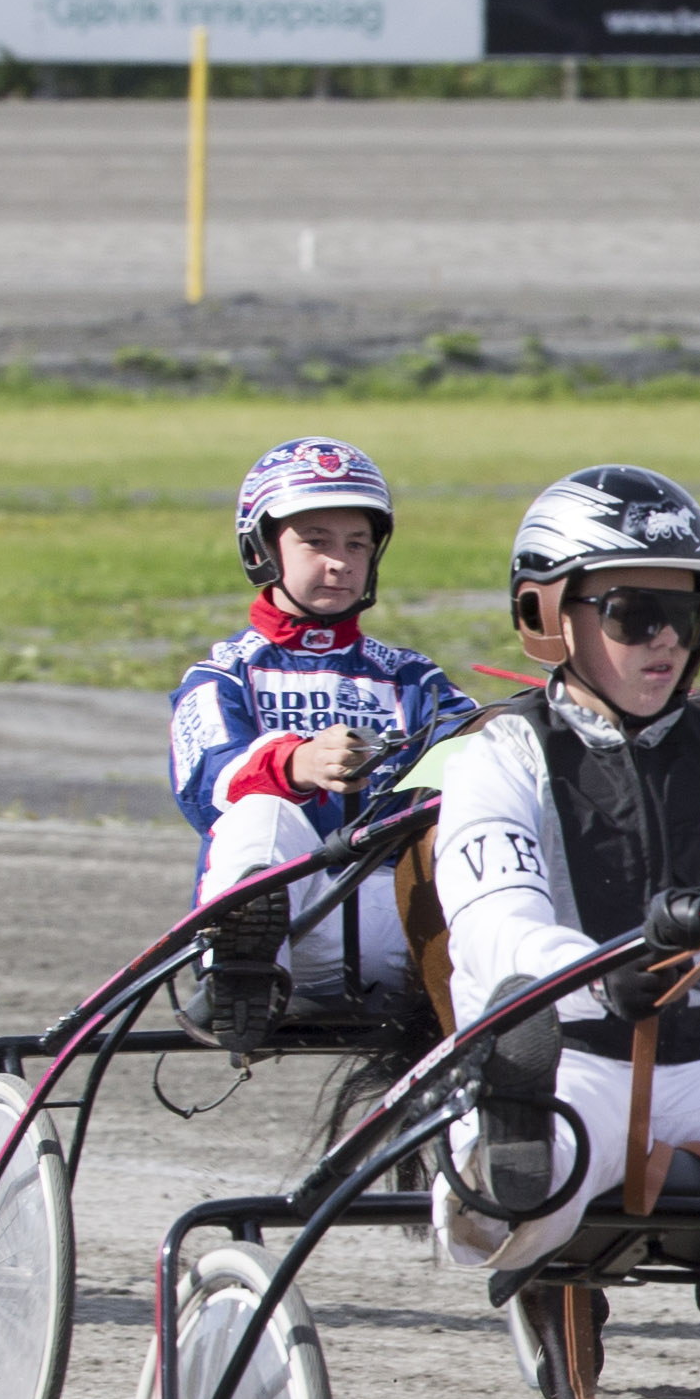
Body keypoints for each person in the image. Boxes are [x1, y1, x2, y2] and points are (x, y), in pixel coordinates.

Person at [430, 467, 700, 1268]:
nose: (667, 640)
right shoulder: (495, 761)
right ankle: (502, 1148)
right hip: (570, 1060)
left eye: (687, 613)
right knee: (529, 1193)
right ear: (545, 616)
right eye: (634, 614)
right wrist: (599, 972)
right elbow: (494, 926)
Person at [170, 436, 477, 1036]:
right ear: (261, 549)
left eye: (355, 543)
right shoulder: (223, 675)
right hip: (294, 924)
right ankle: (240, 977)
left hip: (407, 926)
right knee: (262, 811)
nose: (339, 561)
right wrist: (298, 764)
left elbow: (479, 757)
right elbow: (208, 781)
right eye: (316, 541)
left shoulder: (414, 679)